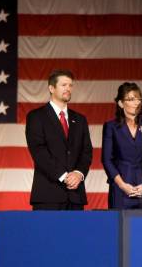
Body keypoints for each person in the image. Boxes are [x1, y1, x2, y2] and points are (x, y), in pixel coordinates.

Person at [25, 70, 93, 210]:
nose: (68, 88)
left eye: (70, 85)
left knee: (75, 233)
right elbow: (39, 151)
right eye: (64, 85)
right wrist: (64, 176)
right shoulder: (36, 117)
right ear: (51, 88)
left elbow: (86, 152)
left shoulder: (80, 120)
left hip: (75, 196)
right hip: (48, 196)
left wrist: (78, 173)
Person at [101, 82, 142, 209]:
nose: (136, 103)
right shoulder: (111, 127)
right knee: (120, 227)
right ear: (121, 103)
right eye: (131, 99)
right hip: (120, 191)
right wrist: (122, 185)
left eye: (138, 99)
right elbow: (107, 159)